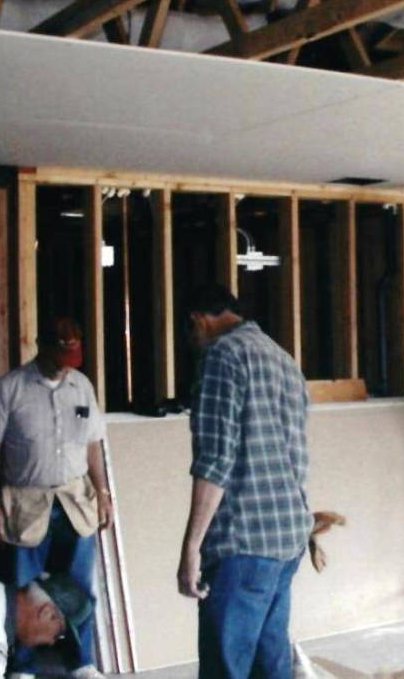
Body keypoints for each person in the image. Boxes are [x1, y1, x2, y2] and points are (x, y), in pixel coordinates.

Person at [176, 284, 312, 679]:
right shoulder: (282, 357)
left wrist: (191, 548)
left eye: (190, 334)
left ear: (197, 321)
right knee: (270, 664)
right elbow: (295, 454)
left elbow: (216, 459)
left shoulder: (223, 356)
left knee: (227, 667)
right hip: (288, 537)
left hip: (243, 542)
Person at [0, 316, 112, 679]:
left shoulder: (82, 386)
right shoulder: (10, 388)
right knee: (24, 589)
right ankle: (22, 666)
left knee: (81, 587)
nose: (66, 369)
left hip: (74, 501)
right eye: (60, 358)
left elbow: (93, 443)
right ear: (43, 347)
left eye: (73, 360)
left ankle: (81, 661)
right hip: (25, 501)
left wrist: (102, 492)